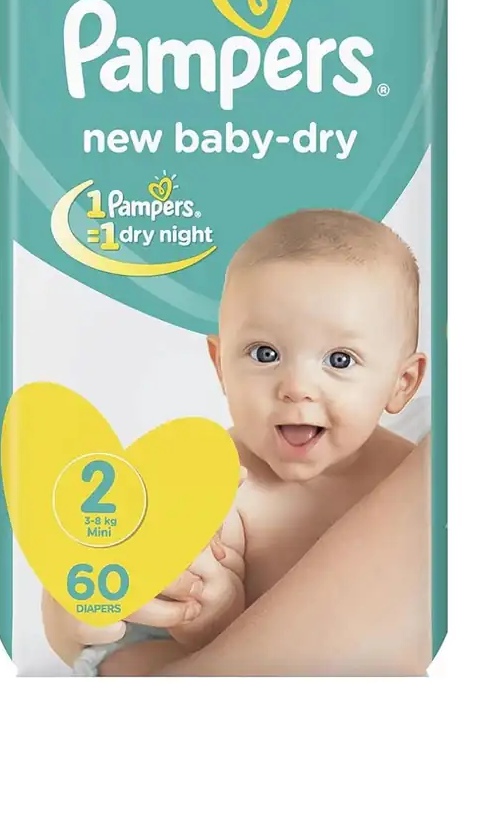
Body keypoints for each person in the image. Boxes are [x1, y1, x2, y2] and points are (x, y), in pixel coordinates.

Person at [41, 208, 430, 676]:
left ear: (402, 383)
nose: (296, 387)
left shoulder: (410, 480)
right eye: (265, 354)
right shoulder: (221, 486)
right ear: (220, 364)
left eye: (340, 360)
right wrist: (213, 607)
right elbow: (222, 653)